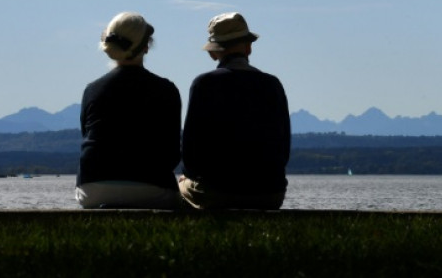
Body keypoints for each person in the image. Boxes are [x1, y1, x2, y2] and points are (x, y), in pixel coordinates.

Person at [179, 12, 291, 210]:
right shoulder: (272, 85)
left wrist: (190, 175)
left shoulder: (204, 84)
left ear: (213, 52)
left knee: (180, 185)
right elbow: (283, 150)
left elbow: (190, 152)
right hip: (270, 194)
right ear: (248, 48)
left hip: (216, 193)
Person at [76, 12, 182, 209]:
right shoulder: (166, 90)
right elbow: (173, 154)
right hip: (153, 188)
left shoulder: (92, 90)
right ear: (146, 47)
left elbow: (88, 137)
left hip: (93, 189)